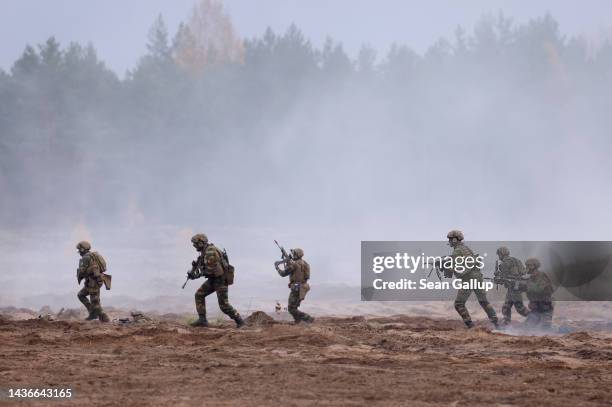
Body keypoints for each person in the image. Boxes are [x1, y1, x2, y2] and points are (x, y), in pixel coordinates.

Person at [187, 233, 244, 328]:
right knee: (199, 295)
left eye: (195, 243)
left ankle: (241, 322)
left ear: (201, 242)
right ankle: (202, 320)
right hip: (214, 279)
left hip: (221, 280)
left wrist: (196, 275)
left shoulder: (210, 251)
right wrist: (195, 273)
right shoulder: (205, 251)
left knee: (224, 305)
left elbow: (209, 270)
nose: (194, 245)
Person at [447, 230, 498, 329]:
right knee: (483, 301)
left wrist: (448, 268)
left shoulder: (457, 251)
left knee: (459, 304)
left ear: (454, 239)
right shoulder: (466, 249)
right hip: (478, 277)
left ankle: (471, 326)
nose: (449, 241)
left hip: (469, 279)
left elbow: (456, 267)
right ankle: (496, 323)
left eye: (450, 239)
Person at [275, 248, 314, 324]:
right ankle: (298, 321)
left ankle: (308, 318)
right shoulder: (304, 263)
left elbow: (283, 274)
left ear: (297, 255)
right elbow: (306, 276)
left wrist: (277, 267)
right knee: (294, 307)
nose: (293, 255)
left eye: (294, 254)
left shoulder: (294, 264)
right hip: (303, 287)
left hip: (297, 288)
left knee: (291, 308)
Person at [76, 241, 110, 322]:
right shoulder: (93, 255)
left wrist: (80, 273)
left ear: (82, 249)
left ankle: (105, 319)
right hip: (94, 281)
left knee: (95, 301)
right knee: (81, 295)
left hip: (93, 282)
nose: (78, 252)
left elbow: (82, 271)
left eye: (79, 250)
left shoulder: (85, 258)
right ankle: (92, 313)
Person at [496, 246, 529, 325]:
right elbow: (524, 272)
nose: (499, 257)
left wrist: (497, 277)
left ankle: (536, 318)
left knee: (520, 308)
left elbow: (503, 278)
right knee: (506, 307)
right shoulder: (517, 260)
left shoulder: (504, 263)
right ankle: (506, 324)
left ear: (501, 254)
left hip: (514, 287)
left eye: (499, 255)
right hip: (517, 286)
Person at [523, 258, 554, 329]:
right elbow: (529, 293)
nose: (527, 268)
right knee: (526, 328)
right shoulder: (530, 279)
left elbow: (540, 289)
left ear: (535, 266)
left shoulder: (542, 276)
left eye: (529, 266)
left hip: (545, 307)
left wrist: (526, 286)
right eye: (526, 266)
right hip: (535, 308)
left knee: (545, 329)